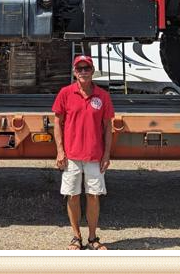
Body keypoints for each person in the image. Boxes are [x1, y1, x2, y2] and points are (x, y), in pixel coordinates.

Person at [52, 55, 114, 250]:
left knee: (94, 196)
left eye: (87, 68)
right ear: (74, 72)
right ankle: (76, 237)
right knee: (72, 195)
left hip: (94, 156)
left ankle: (93, 238)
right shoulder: (65, 93)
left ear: (92, 71)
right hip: (71, 156)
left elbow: (107, 127)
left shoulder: (102, 96)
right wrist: (60, 151)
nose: (83, 72)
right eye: (79, 69)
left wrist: (106, 155)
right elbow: (57, 122)